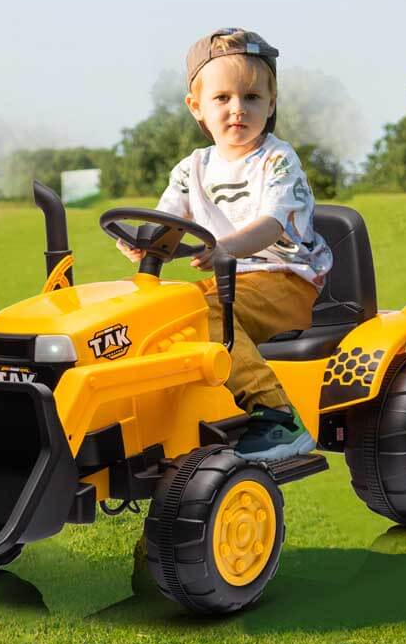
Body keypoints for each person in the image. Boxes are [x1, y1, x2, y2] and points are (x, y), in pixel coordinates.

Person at [117, 27, 332, 461]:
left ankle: (277, 414)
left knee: (204, 313)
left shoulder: (277, 160)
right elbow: (167, 225)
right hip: (227, 279)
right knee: (155, 315)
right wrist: (145, 244)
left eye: (252, 98)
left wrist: (225, 249)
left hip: (286, 281)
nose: (238, 109)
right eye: (223, 99)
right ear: (196, 106)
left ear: (271, 104)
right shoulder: (191, 168)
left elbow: (271, 225)